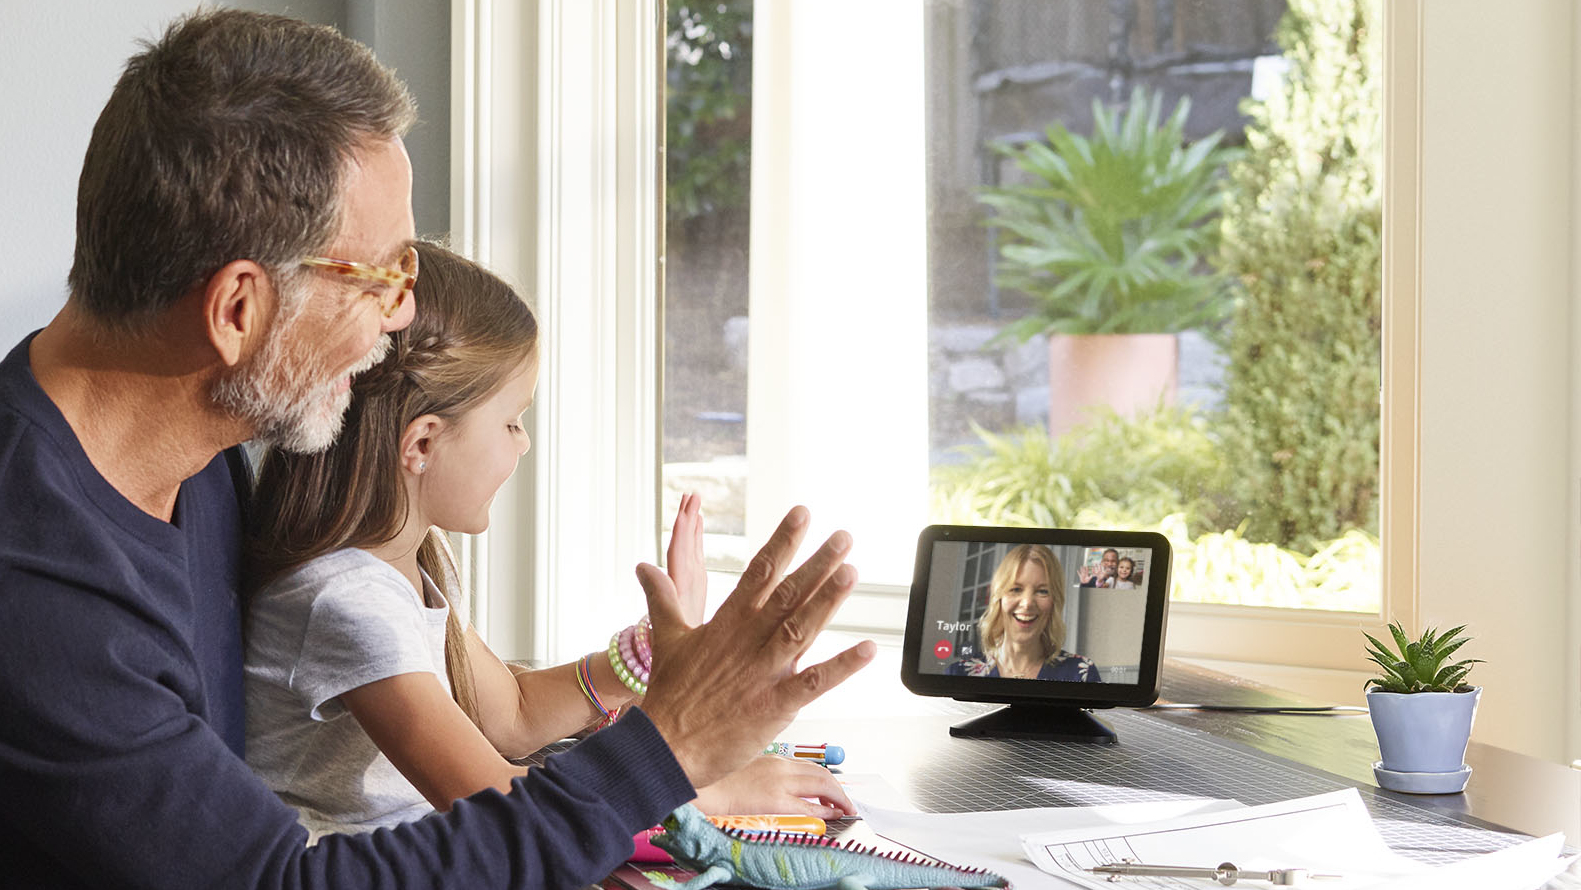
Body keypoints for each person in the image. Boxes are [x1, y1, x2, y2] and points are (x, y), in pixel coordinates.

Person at [0, 10, 872, 889]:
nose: (405, 313)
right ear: (238, 311)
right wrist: (671, 748)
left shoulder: (198, 457)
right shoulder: (37, 587)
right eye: (385, 276)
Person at [244, 244, 853, 839]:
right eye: (511, 420)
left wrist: (649, 654)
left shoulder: (410, 562)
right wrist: (706, 788)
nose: (523, 443)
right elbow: (500, 804)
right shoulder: (347, 600)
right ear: (423, 443)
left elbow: (511, 715)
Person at [945, 544, 1100, 682]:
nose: (1027, 603)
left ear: (1055, 602)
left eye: (1042, 591)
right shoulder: (958, 674)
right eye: (1016, 589)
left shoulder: (1082, 673)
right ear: (999, 598)